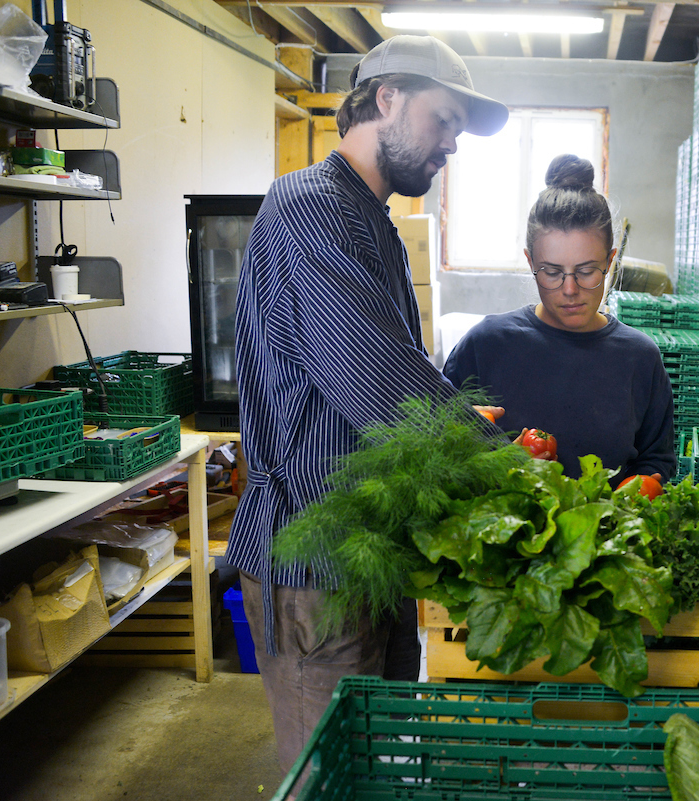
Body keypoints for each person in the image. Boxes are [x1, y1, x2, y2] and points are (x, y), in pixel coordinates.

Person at [228, 35, 508, 775]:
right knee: (330, 774)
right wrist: (509, 473)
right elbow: (384, 385)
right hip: (315, 565)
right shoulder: (309, 210)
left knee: (377, 766)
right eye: (443, 120)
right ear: (387, 98)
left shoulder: (369, 219)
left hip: (370, 555)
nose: (451, 144)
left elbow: (404, 371)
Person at [442, 154, 676, 483]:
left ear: (610, 261)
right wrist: (490, 452)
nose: (569, 289)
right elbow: (437, 448)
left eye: (586, 271)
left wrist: (633, 495)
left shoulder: (640, 358)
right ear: (530, 261)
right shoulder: (485, 346)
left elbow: (656, 459)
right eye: (551, 272)